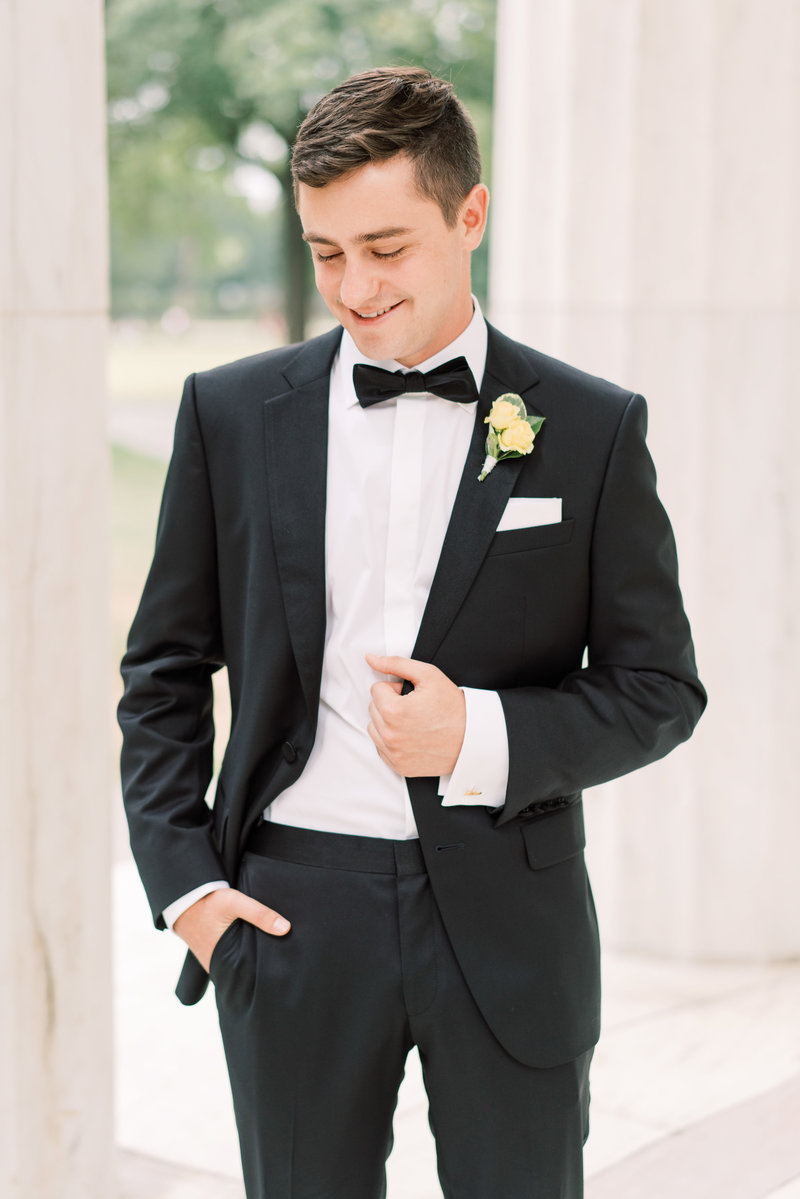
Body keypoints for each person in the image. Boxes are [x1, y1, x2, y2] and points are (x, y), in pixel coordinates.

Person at [118, 66, 706, 1199]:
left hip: (508, 917)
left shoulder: (588, 426)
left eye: (385, 247)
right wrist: (187, 886)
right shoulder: (229, 414)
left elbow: (658, 686)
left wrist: (476, 735)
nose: (353, 286)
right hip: (290, 915)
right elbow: (162, 670)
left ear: (469, 215)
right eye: (324, 251)